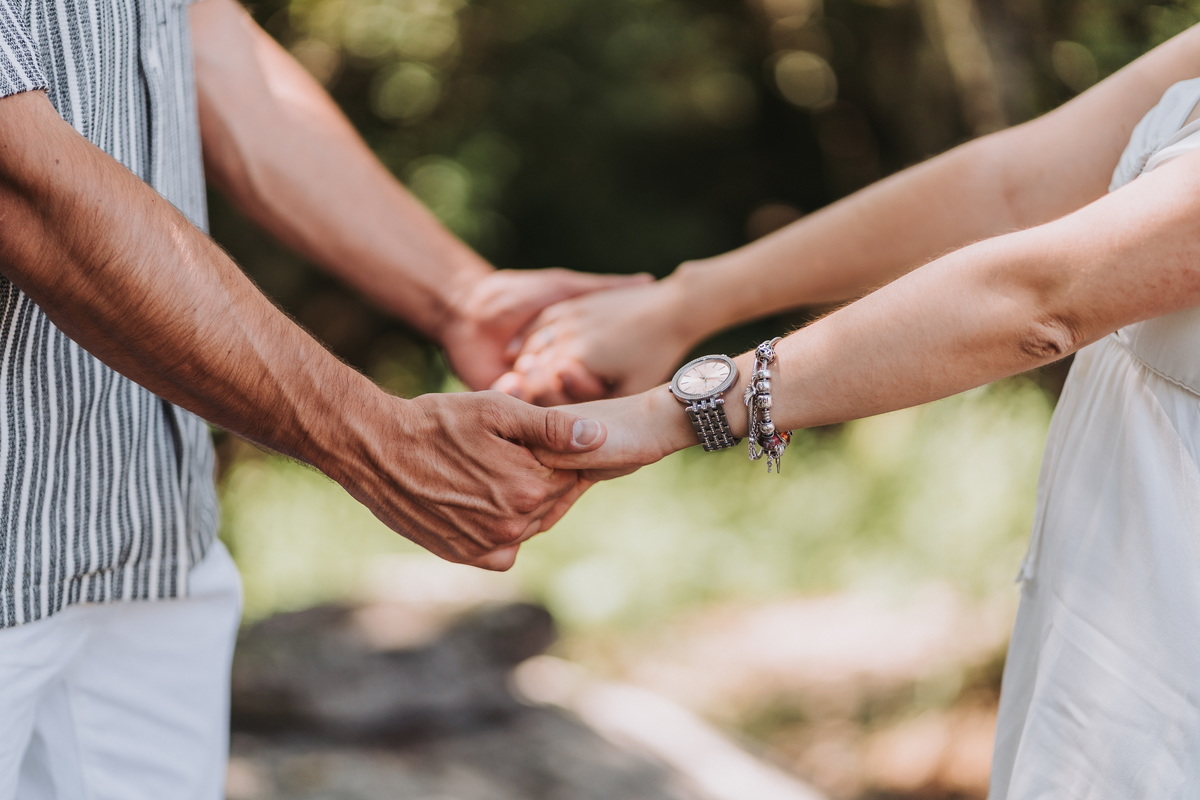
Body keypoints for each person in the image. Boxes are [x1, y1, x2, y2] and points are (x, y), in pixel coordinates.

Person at [514, 24, 1200, 798]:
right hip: (1112, 606)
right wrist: (680, 306)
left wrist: (676, 414)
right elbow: (1012, 184)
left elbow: (1040, 300)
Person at [0, 0, 648, 795]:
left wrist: (460, 297)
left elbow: (203, 35)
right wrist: (372, 439)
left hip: (147, 536)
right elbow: (18, 180)